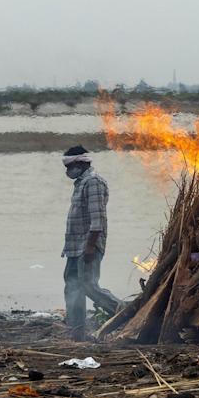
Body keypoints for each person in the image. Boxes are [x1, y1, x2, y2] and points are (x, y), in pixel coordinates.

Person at [61, 145, 120, 341]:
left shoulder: (94, 182)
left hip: (87, 247)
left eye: (70, 165)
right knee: (72, 286)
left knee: (88, 286)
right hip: (74, 247)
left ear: (81, 162)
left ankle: (123, 313)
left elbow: (98, 221)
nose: (68, 170)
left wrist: (89, 247)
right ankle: (76, 330)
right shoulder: (81, 183)